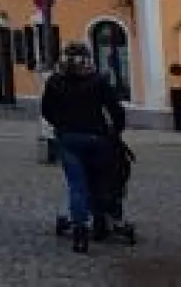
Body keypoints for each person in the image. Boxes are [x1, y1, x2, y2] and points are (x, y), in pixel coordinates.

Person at [41, 40, 125, 253]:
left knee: (77, 185)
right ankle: (101, 221)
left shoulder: (55, 82)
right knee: (98, 180)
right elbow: (116, 109)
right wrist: (115, 131)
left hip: (68, 139)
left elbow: (46, 110)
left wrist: (60, 125)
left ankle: (80, 231)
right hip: (96, 137)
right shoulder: (98, 80)